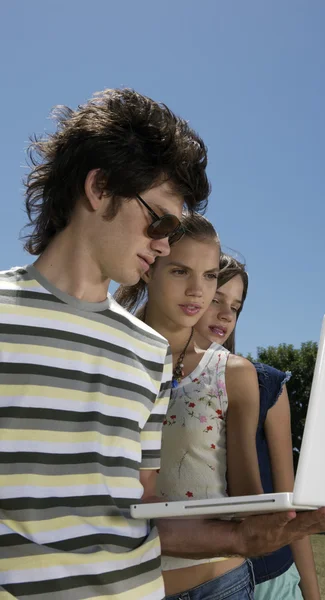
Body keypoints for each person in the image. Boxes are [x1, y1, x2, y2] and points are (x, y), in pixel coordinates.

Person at [0, 87, 210, 600]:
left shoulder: (150, 350)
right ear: (99, 188)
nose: (164, 244)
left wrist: (258, 530)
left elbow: (141, 505)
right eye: (159, 220)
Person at [116, 232, 325, 600]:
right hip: (130, 586)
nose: (207, 301)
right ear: (151, 269)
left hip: (218, 584)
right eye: (184, 273)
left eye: (232, 304)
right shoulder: (116, 357)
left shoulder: (235, 374)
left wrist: (324, 514)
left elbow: (252, 504)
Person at [194, 253, 325, 600]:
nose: (227, 314)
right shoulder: (152, 379)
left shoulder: (267, 385)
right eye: (216, 299)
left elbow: (290, 504)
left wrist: (312, 594)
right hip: (195, 576)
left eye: (236, 307)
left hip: (271, 578)